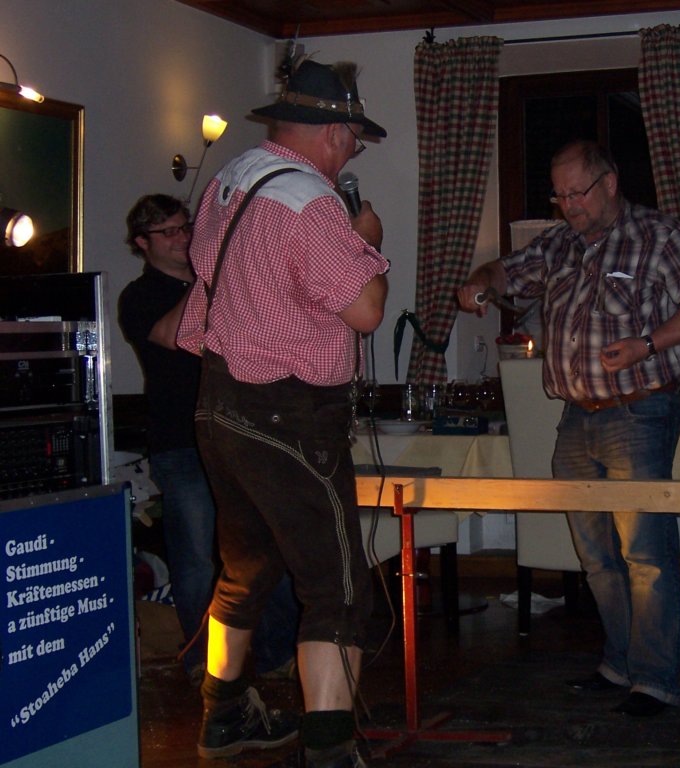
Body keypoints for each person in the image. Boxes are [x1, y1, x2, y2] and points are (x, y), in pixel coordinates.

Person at [457, 140, 680, 718]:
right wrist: (480, 281)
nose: (568, 205)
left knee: (646, 553)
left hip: (640, 413)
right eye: (559, 196)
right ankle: (620, 663)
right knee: (597, 557)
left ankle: (654, 679)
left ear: (609, 183)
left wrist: (647, 344)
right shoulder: (557, 245)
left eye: (576, 193)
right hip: (576, 417)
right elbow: (504, 272)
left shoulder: (658, 236)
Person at [175, 59, 389, 767]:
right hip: (288, 413)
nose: (351, 153)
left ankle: (224, 714)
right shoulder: (311, 201)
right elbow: (365, 310)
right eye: (354, 140)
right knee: (337, 588)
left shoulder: (229, 182)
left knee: (246, 569)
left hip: (220, 402)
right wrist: (368, 242)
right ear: (334, 132)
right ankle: (330, 749)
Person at [119, 194, 299, 686]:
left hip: (242, 433)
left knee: (265, 547)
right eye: (169, 232)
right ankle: (207, 663)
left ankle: (279, 653)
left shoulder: (221, 284)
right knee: (196, 556)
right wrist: (205, 278)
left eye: (186, 227)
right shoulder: (140, 295)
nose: (183, 238)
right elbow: (171, 335)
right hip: (180, 440)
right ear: (142, 243)